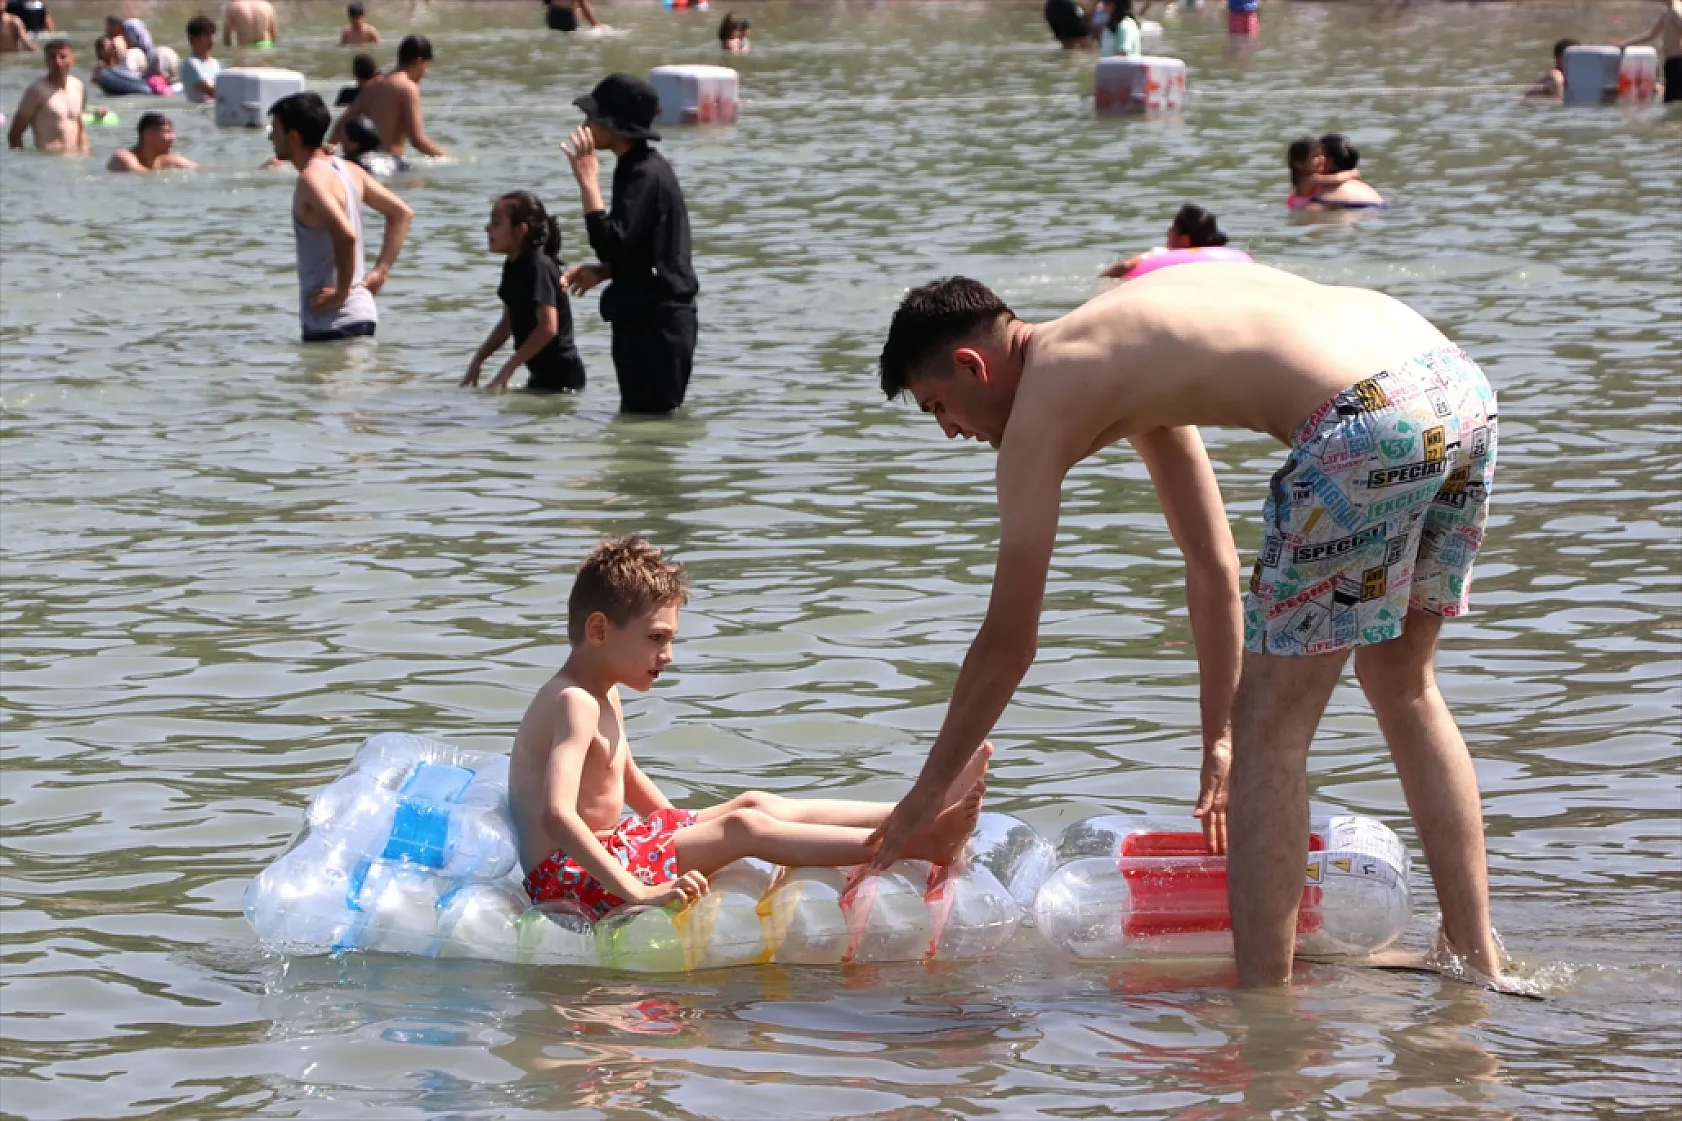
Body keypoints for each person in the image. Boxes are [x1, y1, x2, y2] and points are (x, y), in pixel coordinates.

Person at [865, 266, 1506, 990]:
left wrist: (925, 796)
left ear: (971, 365)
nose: (951, 430)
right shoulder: (1124, 344)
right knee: (1402, 682)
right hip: (1454, 386)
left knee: (1272, 726)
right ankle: (1473, 953)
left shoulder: (1042, 409)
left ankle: (1264, 1010)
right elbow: (1210, 563)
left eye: (938, 406)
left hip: (1364, 421)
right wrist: (1217, 741)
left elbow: (1008, 643)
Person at [509, 536, 991, 919]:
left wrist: (688, 831)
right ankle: (921, 842)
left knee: (754, 803)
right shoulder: (573, 702)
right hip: (569, 879)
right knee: (744, 827)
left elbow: (627, 776)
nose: (667, 655)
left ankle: (917, 810)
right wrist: (640, 891)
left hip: (613, 846)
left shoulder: (602, 691)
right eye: (656, 638)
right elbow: (558, 816)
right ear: (598, 630)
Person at [562, 74, 700, 415]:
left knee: (650, 423)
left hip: (658, 325)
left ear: (615, 125)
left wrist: (587, 182)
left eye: (592, 118)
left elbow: (611, 243)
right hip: (647, 317)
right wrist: (605, 272)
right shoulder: (634, 167)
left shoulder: (644, 173)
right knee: (637, 420)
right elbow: (640, 248)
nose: (584, 125)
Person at [267, 91, 412, 343]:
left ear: (293, 137)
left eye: (275, 130)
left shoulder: (311, 179)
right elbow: (401, 213)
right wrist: (381, 271)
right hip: (362, 314)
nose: (270, 137)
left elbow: (346, 234)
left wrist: (341, 294)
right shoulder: (350, 169)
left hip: (331, 322)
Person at [464, 191, 588, 394]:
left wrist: (507, 370)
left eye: (496, 223)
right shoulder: (512, 265)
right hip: (540, 375)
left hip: (563, 377)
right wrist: (478, 360)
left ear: (521, 230)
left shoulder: (539, 267)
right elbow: (507, 324)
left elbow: (548, 328)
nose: (487, 228)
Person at [330, 35, 445, 159]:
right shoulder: (408, 88)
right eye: (426, 66)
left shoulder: (371, 85)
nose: (425, 73)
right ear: (419, 61)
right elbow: (417, 139)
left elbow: (342, 121)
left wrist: (331, 144)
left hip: (362, 159)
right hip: (389, 163)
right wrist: (445, 157)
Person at [1101, 203, 1229, 278]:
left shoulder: (1160, 255)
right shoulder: (1222, 259)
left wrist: (1102, 278)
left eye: (1172, 229)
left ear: (1184, 240)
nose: (1168, 233)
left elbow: (1125, 266)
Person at [7, 39, 86, 152]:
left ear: (73, 59)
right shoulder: (36, 91)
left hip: (74, 159)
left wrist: (85, 153)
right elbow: (15, 134)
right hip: (48, 159)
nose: (58, 62)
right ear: (46, 61)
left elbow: (80, 128)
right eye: (52, 57)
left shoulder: (78, 86)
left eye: (63, 57)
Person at [1619, 0, 1682, 102]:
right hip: (1671, 62)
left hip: (1678, 62)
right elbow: (1652, 34)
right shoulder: (1667, 13)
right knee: (1670, 99)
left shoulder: (1676, 11)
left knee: (1673, 100)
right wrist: (1626, 43)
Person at [1285, 136, 1368, 211]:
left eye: (1322, 154)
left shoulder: (1313, 178)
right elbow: (1337, 179)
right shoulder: (1311, 179)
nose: (1322, 159)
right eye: (1315, 156)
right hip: (1300, 206)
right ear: (1299, 164)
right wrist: (1352, 173)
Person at [107, 110, 196, 172]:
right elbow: (141, 175)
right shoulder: (123, 157)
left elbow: (200, 169)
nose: (172, 137)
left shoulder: (167, 160)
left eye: (172, 132)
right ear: (148, 134)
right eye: (167, 132)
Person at [339, 114, 407, 177]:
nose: (341, 142)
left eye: (344, 138)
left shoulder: (347, 163)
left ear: (354, 142)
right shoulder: (395, 160)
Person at [181, 16, 219, 105]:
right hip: (200, 110)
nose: (212, 39)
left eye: (213, 34)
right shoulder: (190, 64)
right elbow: (212, 91)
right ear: (193, 38)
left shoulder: (214, 62)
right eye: (207, 35)